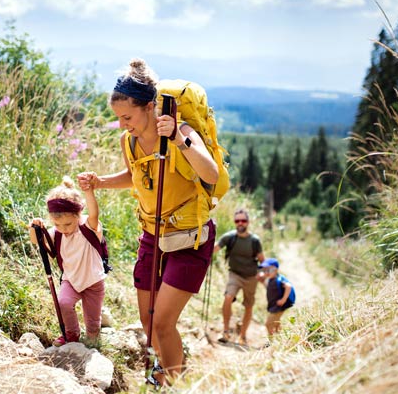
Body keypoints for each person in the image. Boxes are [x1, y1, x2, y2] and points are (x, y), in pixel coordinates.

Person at [77, 58, 218, 386]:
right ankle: (160, 379)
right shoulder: (129, 141)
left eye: (127, 117)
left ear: (150, 107)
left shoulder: (180, 132)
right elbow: (135, 175)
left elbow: (209, 172)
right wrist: (100, 182)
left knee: (163, 323)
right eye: (118, 118)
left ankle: (174, 383)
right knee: (148, 320)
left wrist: (181, 141)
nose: (123, 124)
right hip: (152, 236)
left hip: (189, 238)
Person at [29, 176, 106, 347]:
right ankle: (72, 334)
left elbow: (94, 213)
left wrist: (89, 192)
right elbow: (36, 241)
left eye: (68, 224)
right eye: (57, 224)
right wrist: (34, 228)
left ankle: (93, 339)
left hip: (93, 281)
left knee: (92, 320)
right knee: (63, 303)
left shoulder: (88, 227)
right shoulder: (57, 233)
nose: (64, 229)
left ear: (79, 214)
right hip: (71, 279)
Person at [213, 209, 265, 345]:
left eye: (243, 220)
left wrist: (263, 273)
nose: (240, 223)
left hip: (251, 277)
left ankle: (243, 335)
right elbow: (215, 248)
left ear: (248, 222)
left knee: (248, 306)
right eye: (237, 221)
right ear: (234, 222)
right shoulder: (229, 237)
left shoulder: (254, 241)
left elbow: (262, 260)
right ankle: (226, 331)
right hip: (234, 274)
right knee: (228, 297)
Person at [256, 258, 295, 340]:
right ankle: (282, 338)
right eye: (265, 270)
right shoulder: (271, 280)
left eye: (268, 270)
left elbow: (288, 286)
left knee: (268, 324)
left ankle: (272, 341)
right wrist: (262, 282)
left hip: (279, 306)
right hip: (274, 305)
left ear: (275, 269)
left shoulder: (279, 279)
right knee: (277, 324)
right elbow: (270, 289)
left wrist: (283, 300)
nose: (266, 272)